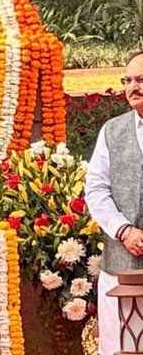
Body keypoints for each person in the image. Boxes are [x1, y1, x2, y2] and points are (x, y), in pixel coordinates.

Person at [85, 49, 143, 354]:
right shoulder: (112, 131)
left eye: (141, 78)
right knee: (121, 347)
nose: (133, 86)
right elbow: (95, 190)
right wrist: (123, 230)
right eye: (128, 79)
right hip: (122, 265)